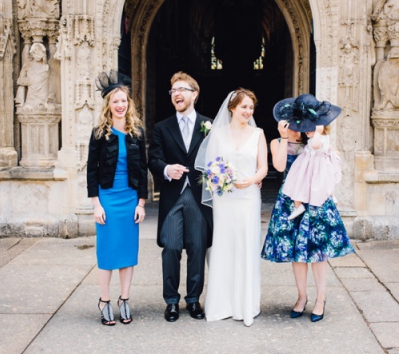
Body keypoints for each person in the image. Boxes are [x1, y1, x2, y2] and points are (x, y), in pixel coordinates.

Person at [261, 94, 355, 322]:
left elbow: (327, 162)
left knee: (318, 253)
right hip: (291, 199)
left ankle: (320, 299)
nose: (297, 126)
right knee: (297, 253)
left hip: (316, 200)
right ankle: (302, 297)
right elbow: (280, 166)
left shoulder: (313, 140)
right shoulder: (276, 141)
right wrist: (283, 137)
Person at [195, 88, 267, 327]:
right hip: (224, 199)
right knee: (224, 247)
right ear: (232, 108)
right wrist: (219, 179)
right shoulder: (218, 134)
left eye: (251, 107)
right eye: (244, 106)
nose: (248, 111)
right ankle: (221, 304)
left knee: (246, 246)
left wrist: (252, 180)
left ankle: (245, 305)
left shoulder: (258, 134)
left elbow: (264, 168)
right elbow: (210, 167)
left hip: (247, 197)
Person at [148, 71, 213, 322]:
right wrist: (166, 169)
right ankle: (172, 301)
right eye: (173, 90)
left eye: (182, 89)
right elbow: (153, 159)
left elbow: (218, 158)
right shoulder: (161, 127)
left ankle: (194, 300)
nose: (177, 93)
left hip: (198, 197)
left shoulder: (209, 125)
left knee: (197, 248)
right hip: (173, 196)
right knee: (172, 247)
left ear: (194, 94)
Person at [87, 70, 147, 326]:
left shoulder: (137, 133)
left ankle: (124, 299)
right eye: (116, 101)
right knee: (108, 252)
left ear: (128, 104)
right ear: (108, 105)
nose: (120, 105)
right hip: (108, 199)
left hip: (130, 198)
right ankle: (104, 300)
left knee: (127, 252)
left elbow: (142, 169)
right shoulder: (100, 133)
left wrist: (142, 203)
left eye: (124, 101)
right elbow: (91, 170)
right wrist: (96, 204)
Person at [281, 123, 341, 220]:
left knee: (302, 183)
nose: (306, 130)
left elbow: (315, 145)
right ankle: (298, 205)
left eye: (310, 128)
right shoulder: (321, 138)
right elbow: (328, 147)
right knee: (299, 182)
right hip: (310, 166)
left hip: (312, 167)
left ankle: (299, 205)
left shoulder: (318, 138)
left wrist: (318, 132)